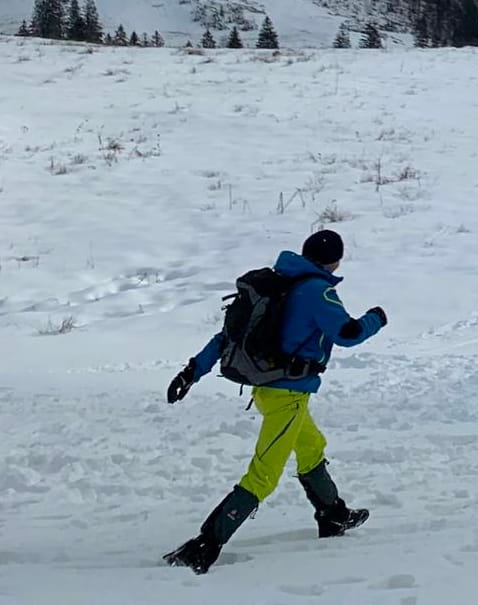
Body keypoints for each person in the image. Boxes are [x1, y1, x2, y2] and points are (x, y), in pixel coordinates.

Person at [162, 229, 386, 574]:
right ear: (335, 260)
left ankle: (333, 515)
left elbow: (226, 337)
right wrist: (377, 318)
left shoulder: (276, 283)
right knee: (264, 474)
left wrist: (191, 371)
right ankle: (206, 544)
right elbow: (348, 334)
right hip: (288, 395)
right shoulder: (317, 290)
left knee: (311, 446)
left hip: (267, 389)